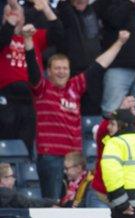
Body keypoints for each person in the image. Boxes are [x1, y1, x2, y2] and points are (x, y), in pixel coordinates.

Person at [25, 27, 129, 200]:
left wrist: (119, 43)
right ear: (49, 72)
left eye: (65, 68)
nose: (61, 71)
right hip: (52, 158)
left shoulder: (75, 86)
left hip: (75, 158)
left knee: (75, 206)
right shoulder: (42, 88)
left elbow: (99, 65)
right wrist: (28, 40)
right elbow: (33, 68)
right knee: (53, 205)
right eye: (57, 68)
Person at [0, 0, 63, 155]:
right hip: (6, 99)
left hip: (30, 99)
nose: (13, 16)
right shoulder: (3, 36)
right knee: (6, 144)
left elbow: (59, 35)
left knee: (27, 146)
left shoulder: (33, 37)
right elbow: (3, 41)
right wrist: (11, 21)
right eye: (8, 13)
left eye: (16, 13)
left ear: (24, 16)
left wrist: (47, 9)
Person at [91, 96, 135, 207]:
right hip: (102, 195)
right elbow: (102, 129)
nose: (109, 126)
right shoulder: (106, 138)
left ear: (124, 125)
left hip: (125, 197)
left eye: (113, 123)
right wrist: (121, 110)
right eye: (109, 123)